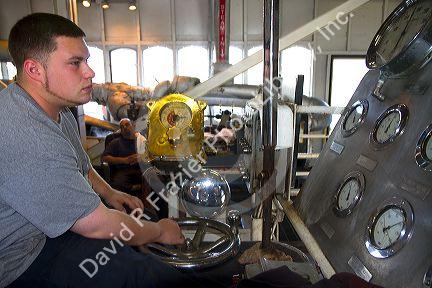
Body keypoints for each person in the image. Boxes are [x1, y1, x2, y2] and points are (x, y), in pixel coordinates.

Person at [0, 13, 200, 288]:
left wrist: (111, 193)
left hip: (48, 234)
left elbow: (82, 165)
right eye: (75, 63)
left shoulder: (58, 111)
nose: (90, 72)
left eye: (87, 60)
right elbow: (96, 224)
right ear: (34, 70)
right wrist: (158, 233)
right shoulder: (25, 131)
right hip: (19, 262)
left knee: (138, 230)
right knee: (136, 273)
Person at [101, 118, 146, 196]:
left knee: (154, 180)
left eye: (127, 125)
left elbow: (150, 154)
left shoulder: (141, 140)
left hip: (141, 169)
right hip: (124, 171)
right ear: (121, 130)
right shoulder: (116, 142)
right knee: (118, 184)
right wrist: (124, 160)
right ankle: (134, 188)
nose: (125, 127)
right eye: (122, 127)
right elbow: (104, 158)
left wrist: (141, 157)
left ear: (133, 126)